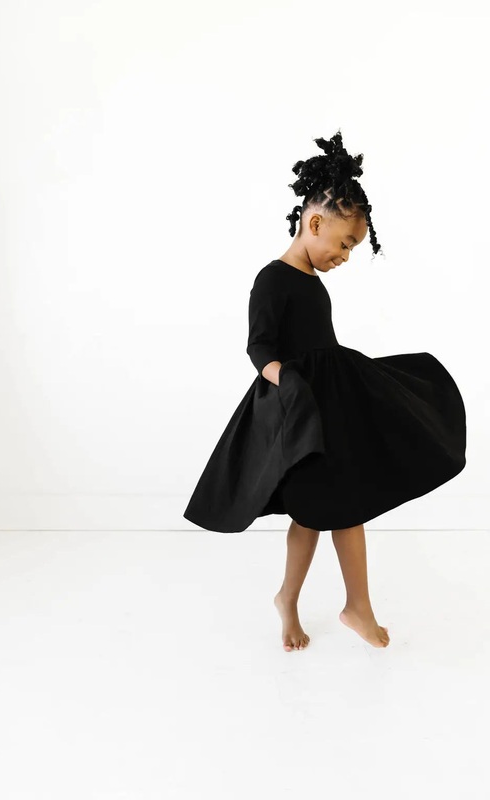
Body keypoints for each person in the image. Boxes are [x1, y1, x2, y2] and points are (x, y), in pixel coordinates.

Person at [183, 130, 467, 652]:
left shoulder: (313, 283)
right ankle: (294, 601)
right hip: (300, 411)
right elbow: (259, 348)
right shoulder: (273, 279)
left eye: (353, 247)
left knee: (340, 501)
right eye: (345, 243)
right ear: (314, 223)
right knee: (314, 510)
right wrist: (287, 380)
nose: (346, 256)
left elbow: (322, 346)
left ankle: (351, 605)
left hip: (331, 403)